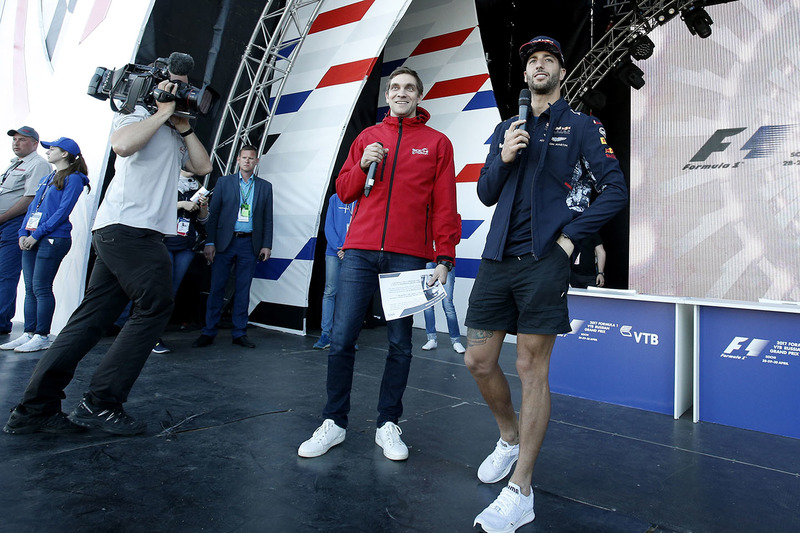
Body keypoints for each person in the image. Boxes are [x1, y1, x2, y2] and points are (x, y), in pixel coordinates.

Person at [465, 36, 627, 532]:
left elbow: (614, 188)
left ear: (560, 71)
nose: (539, 65)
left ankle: (522, 489)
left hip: (544, 261)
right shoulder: (506, 127)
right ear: (525, 73)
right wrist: (504, 156)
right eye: (532, 60)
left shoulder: (582, 126)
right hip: (496, 258)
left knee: (530, 367)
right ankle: (508, 435)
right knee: (477, 359)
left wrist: (570, 240)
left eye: (548, 60)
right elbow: (486, 192)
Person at [3, 52, 213, 436]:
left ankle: (35, 409)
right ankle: (101, 402)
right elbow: (121, 145)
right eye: (177, 85)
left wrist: (181, 125)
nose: (182, 92)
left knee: (90, 319)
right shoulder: (136, 114)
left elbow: (202, 167)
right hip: (128, 228)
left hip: (132, 232)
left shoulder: (171, 128)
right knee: (155, 305)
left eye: (186, 87)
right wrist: (162, 113)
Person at [297, 66, 460, 462]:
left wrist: (445, 255)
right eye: (395, 88)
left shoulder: (437, 143)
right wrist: (360, 162)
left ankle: (388, 423)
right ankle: (334, 421)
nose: (401, 93)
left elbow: (444, 203)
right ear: (388, 95)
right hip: (360, 251)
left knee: (400, 345)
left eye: (409, 87)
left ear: (419, 96)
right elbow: (345, 190)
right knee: (341, 338)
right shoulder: (368, 138)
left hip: (409, 257)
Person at [0, 138, 89, 353]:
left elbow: (62, 212)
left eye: (53, 149)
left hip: (52, 239)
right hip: (32, 237)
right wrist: (23, 232)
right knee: (30, 288)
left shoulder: (75, 179)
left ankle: (42, 335)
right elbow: (32, 208)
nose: (48, 152)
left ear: (65, 154)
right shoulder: (49, 177)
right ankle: (29, 333)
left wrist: (37, 234)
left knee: (40, 287)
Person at [192, 145, 272, 349]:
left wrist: (266, 245)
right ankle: (208, 331)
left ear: (256, 161)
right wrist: (210, 242)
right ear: (238, 160)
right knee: (217, 287)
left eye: (251, 158)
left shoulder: (265, 186)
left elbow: (267, 219)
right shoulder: (224, 182)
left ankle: (239, 332)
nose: (247, 161)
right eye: (244, 157)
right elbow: (214, 213)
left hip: (249, 243)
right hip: (225, 242)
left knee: (243, 290)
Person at [0, 127, 52, 336]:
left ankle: (1, 322)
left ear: (34, 143)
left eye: (22, 140)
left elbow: (30, 198)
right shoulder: (15, 164)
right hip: (5, 223)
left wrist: (2, 218)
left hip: (14, 223)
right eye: (14, 140)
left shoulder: (38, 164)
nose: (16, 143)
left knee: (6, 275)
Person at [151, 170, 209, 354]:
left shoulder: (197, 186)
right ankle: (149, 336)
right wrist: (181, 204)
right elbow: (154, 207)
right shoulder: (166, 179)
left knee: (172, 291)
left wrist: (203, 207)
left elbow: (204, 219)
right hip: (164, 243)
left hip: (186, 245)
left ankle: (156, 335)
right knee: (160, 290)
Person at [313, 193, 355, 350]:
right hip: (333, 252)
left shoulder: (362, 197)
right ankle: (326, 335)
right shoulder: (334, 199)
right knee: (330, 292)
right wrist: (339, 246)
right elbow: (328, 225)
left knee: (349, 295)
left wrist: (348, 247)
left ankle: (346, 336)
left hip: (353, 252)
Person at [421, 215, 465, 354]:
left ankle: (456, 340)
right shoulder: (427, 215)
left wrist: (442, 231)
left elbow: (456, 239)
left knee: (448, 303)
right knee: (428, 304)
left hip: (446, 263)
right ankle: (431, 338)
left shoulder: (455, 216)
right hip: (429, 261)